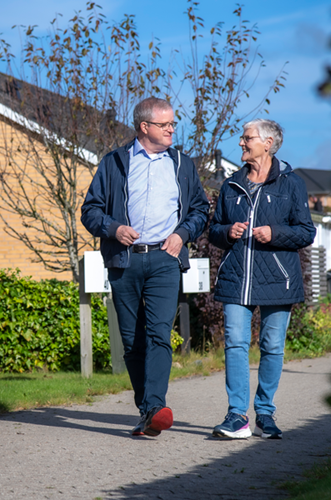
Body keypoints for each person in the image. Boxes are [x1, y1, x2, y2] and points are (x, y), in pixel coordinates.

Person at [81, 97, 209, 437]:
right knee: (131, 342)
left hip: (165, 259)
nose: (171, 129)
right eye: (164, 124)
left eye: (172, 124)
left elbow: (199, 209)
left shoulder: (182, 163)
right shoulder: (113, 163)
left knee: (158, 334)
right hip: (124, 260)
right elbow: (90, 210)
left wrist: (182, 235)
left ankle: (155, 405)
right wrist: (113, 229)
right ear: (144, 127)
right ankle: (148, 411)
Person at [208, 118, 315, 439]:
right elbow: (213, 231)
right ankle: (237, 416)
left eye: (247, 138)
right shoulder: (230, 184)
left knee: (272, 347)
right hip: (236, 278)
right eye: (242, 138)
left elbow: (306, 231)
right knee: (235, 346)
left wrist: (275, 233)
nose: (241, 142)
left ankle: (265, 415)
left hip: (277, 279)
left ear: (268, 143)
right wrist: (228, 231)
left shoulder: (291, 183)